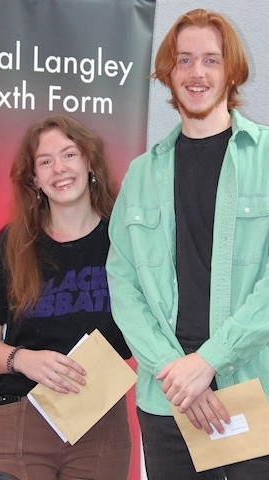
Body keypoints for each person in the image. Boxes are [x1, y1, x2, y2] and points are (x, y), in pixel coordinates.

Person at [106, 9, 269, 480]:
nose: (197, 73)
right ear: (168, 73)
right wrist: (177, 371)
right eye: (184, 60)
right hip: (168, 398)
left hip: (251, 390)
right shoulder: (140, 174)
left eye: (211, 60)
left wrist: (209, 362)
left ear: (231, 70)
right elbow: (123, 282)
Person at [0, 115, 132, 480]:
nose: (59, 168)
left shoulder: (125, 239)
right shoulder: (13, 243)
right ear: (34, 180)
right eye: (45, 161)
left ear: (90, 162)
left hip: (99, 417)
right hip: (22, 415)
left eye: (69, 154)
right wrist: (26, 360)